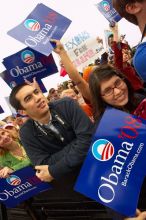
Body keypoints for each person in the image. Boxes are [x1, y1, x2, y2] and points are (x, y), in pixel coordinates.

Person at [9, 83, 94, 183]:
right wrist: (78, 142)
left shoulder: (67, 104)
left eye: (36, 92)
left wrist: (54, 170)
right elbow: (43, 164)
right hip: (73, 181)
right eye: (28, 98)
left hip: (97, 161)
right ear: (22, 112)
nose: (37, 98)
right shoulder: (25, 133)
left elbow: (89, 139)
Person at [112, 0, 146, 82]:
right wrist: (115, 32)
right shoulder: (142, 58)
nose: (125, 55)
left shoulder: (131, 64)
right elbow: (118, 57)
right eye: (123, 53)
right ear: (133, 7)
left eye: (125, 52)